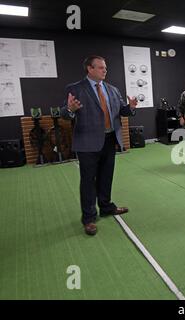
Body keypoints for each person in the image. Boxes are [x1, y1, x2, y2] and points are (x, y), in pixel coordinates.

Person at [61, 55, 138, 236]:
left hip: (109, 139)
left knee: (106, 176)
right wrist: (71, 110)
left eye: (105, 67)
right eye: (101, 67)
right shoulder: (75, 89)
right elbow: (65, 113)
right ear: (90, 68)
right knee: (88, 181)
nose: (105, 70)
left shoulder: (112, 89)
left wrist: (131, 107)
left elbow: (121, 110)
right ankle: (89, 218)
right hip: (87, 143)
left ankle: (106, 206)